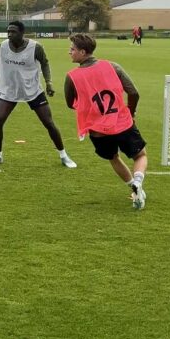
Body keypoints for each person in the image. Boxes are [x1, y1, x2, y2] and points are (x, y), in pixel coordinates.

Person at [64, 33, 148, 208]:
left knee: (113, 157)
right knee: (140, 155)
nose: (69, 52)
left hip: (98, 130)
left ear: (83, 52)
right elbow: (133, 92)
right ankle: (138, 182)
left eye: (72, 49)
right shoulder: (113, 66)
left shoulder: (71, 77)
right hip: (122, 123)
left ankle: (134, 188)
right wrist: (130, 112)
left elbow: (70, 103)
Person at [0, 21, 77, 168]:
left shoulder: (35, 47)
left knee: (48, 123)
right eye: (8, 31)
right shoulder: (1, 47)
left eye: (13, 32)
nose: (9, 34)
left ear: (22, 33)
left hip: (33, 90)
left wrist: (48, 82)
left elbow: (45, 63)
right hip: (9, 91)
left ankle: (64, 155)